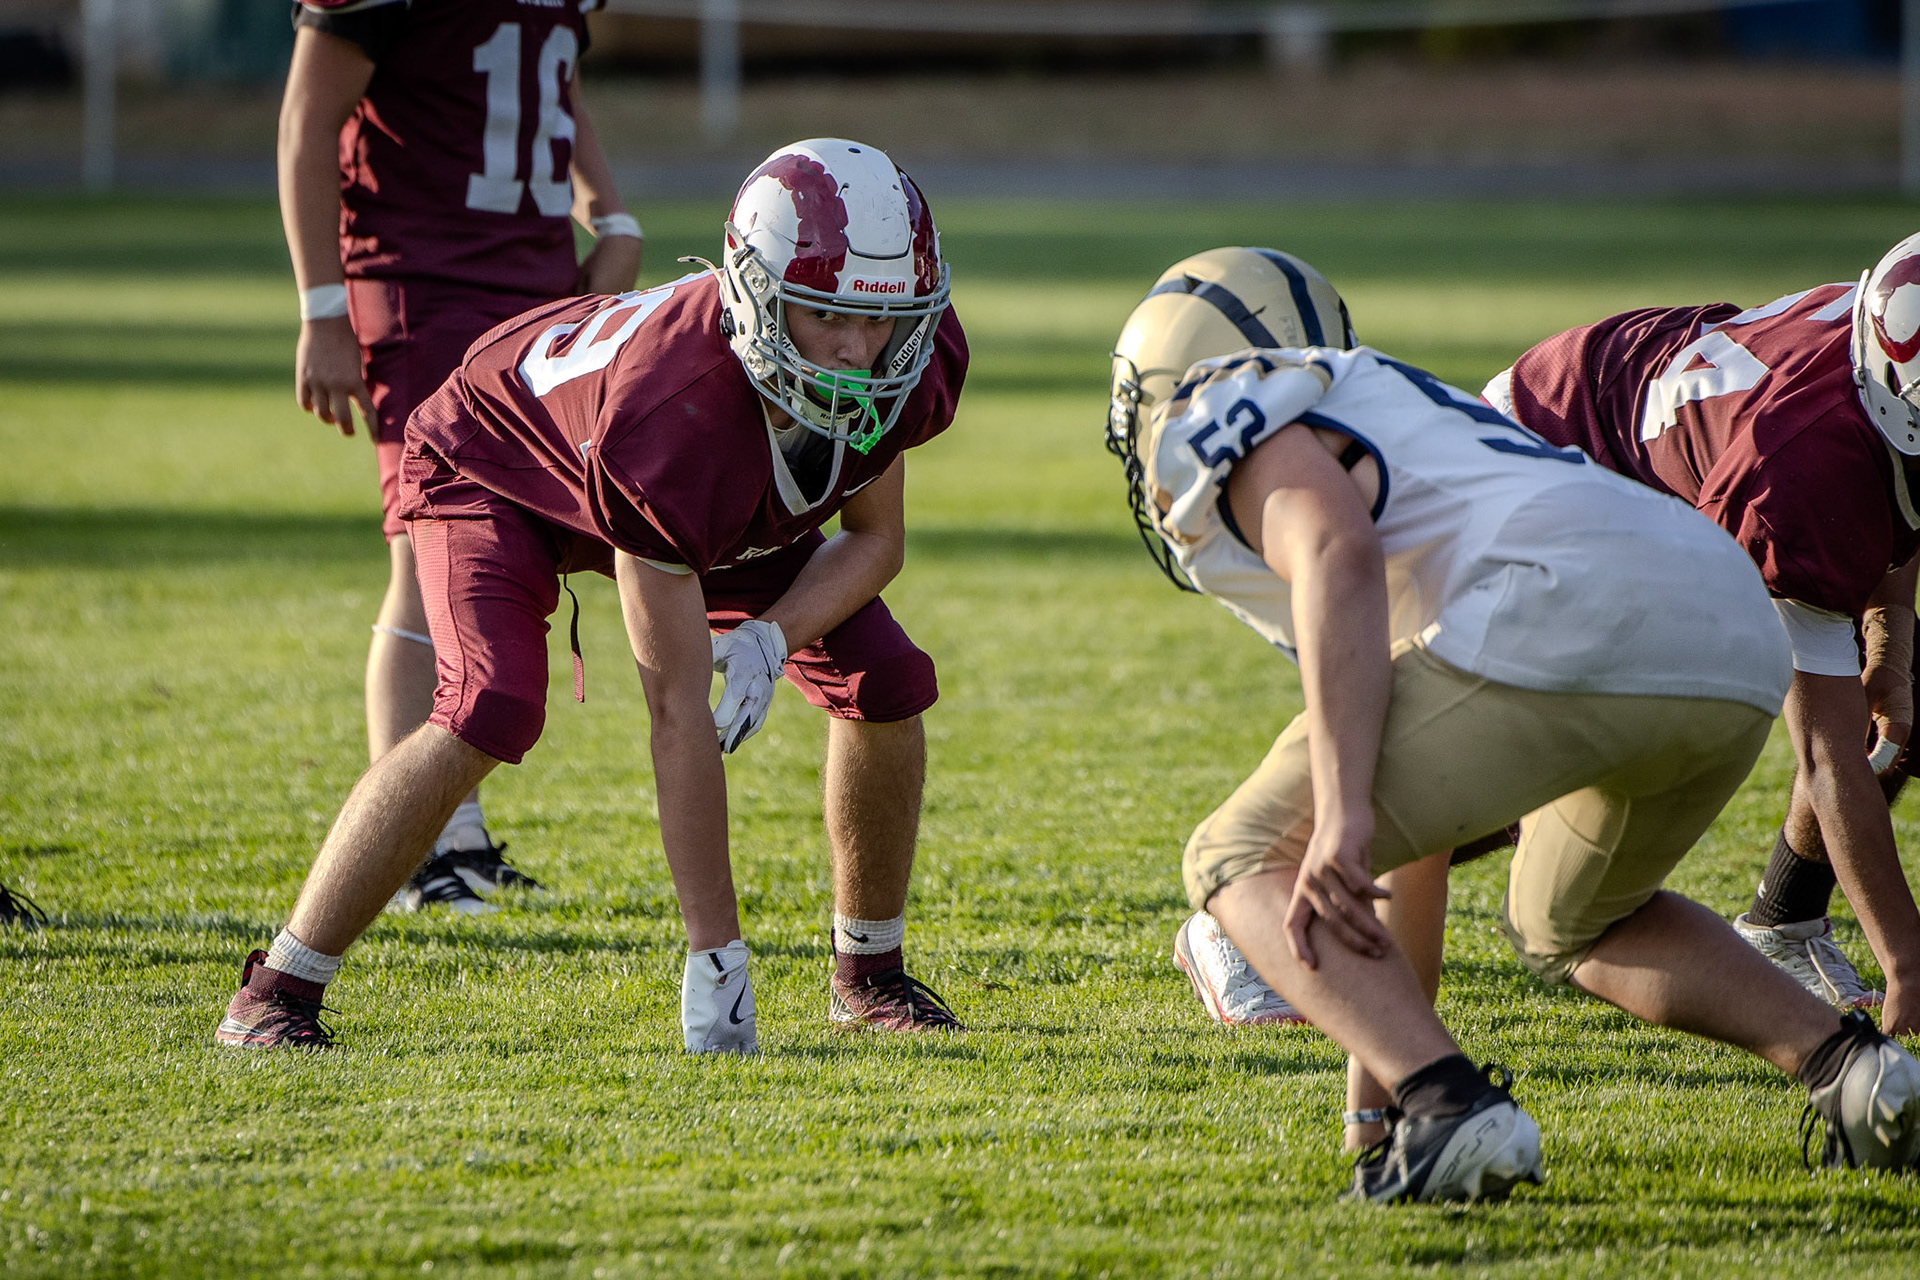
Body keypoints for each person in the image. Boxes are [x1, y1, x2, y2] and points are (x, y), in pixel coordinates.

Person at [1107, 246, 1920, 1201]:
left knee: (1236, 855)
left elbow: (1333, 547)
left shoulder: (1223, 412)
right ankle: (1855, 1073)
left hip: (1565, 607)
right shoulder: (1395, 404)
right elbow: (1418, 859)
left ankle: (1452, 1104)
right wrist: (1373, 1113)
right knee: (1575, 921)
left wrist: (1340, 815)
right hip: (1729, 620)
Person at [217, 139, 968, 1053]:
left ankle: (870, 974)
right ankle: (279, 986)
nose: (857, 351)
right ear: (757, 295)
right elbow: (674, 711)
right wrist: (715, 958)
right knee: (489, 704)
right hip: (499, 464)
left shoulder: (904, 358)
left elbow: (875, 539)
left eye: (876, 319)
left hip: (688, 480)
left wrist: (773, 639)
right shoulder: (675, 410)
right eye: (821, 315)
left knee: (885, 679)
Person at [1481, 235, 1920, 1032]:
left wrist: (1890, 633)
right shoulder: (1802, 474)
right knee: (1540, 769)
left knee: (1902, 695)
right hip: (1551, 459)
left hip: (1670, 456)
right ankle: (1272, 893)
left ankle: (1785, 919)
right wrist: (1909, 969)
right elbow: (1826, 753)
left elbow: (1897, 492)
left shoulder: (1884, 355)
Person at [280, 0, 642, 912]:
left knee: (509, 545)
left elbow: (551, 83)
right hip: (422, 279)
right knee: (426, 545)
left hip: (535, 282)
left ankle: (458, 837)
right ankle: (419, 850)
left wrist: (612, 213)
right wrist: (322, 310)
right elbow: (307, 116)